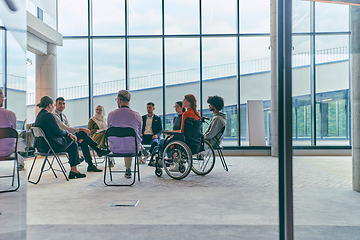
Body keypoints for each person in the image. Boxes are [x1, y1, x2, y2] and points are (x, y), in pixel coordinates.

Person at [34, 96, 86, 179]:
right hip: (51, 146)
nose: (54, 106)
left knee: (73, 145)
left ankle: (74, 170)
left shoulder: (39, 115)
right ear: (50, 105)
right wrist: (68, 134)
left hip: (41, 147)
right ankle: (74, 170)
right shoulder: (49, 115)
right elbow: (58, 131)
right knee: (73, 139)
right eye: (53, 105)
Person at [53, 97, 105, 172]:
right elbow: (65, 128)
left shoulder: (63, 116)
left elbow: (69, 129)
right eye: (60, 103)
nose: (62, 105)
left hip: (68, 137)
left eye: (64, 103)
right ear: (55, 105)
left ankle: (90, 165)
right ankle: (97, 150)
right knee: (82, 132)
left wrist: (76, 137)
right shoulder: (54, 115)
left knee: (83, 141)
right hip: (62, 139)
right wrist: (81, 129)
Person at [107, 90, 142, 179]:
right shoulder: (136, 115)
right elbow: (139, 134)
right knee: (130, 142)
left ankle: (124, 168)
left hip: (115, 148)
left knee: (124, 141)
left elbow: (108, 133)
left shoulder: (111, 115)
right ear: (129, 101)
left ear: (119, 100)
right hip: (132, 149)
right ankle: (128, 168)